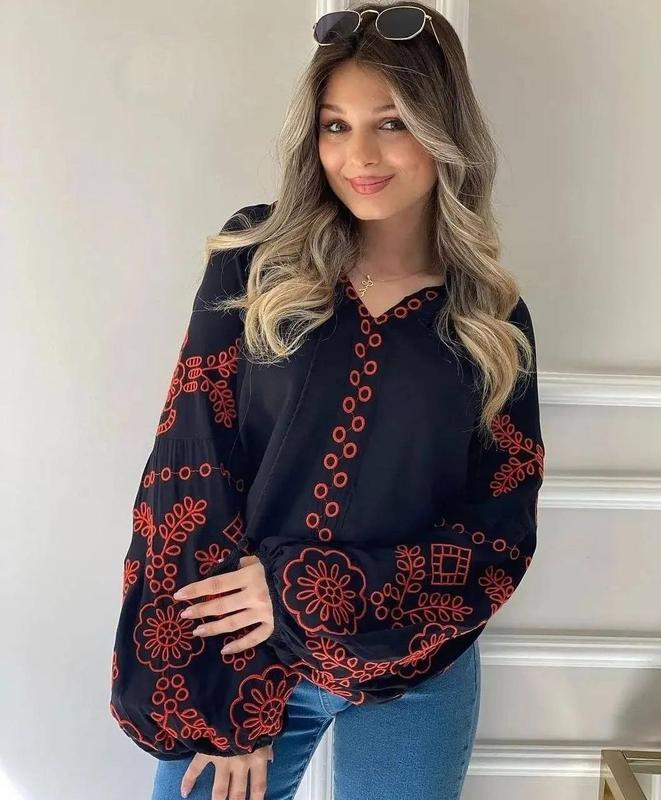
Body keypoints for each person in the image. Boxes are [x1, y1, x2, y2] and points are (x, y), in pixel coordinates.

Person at [109, 3, 545, 799]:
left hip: (419, 667)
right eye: (335, 126)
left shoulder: (489, 318)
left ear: (442, 132)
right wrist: (229, 698)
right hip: (250, 659)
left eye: (391, 123)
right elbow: (187, 469)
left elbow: (500, 531)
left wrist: (301, 587)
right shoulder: (256, 260)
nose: (359, 156)